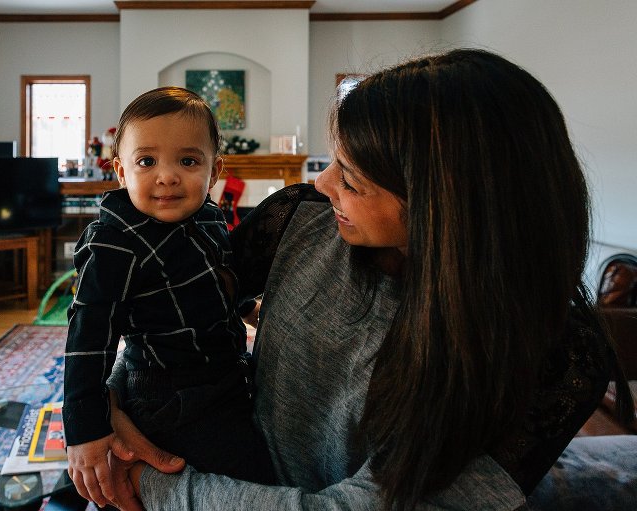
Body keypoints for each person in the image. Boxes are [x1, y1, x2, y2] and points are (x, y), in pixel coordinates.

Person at [103, 49, 636, 511]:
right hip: (231, 451)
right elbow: (171, 306)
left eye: (352, 177)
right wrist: (105, 406)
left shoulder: (559, 357)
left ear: (444, 208)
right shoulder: (299, 220)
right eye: (335, 160)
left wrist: (143, 484)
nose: (322, 181)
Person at [62, 87, 273, 509]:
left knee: (260, 453)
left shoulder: (209, 217)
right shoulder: (114, 243)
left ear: (214, 171)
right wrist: (84, 430)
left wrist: (248, 307)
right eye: (147, 161)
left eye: (188, 161)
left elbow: (216, 281)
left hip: (227, 373)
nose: (167, 175)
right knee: (246, 476)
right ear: (122, 171)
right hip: (168, 395)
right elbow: (87, 339)